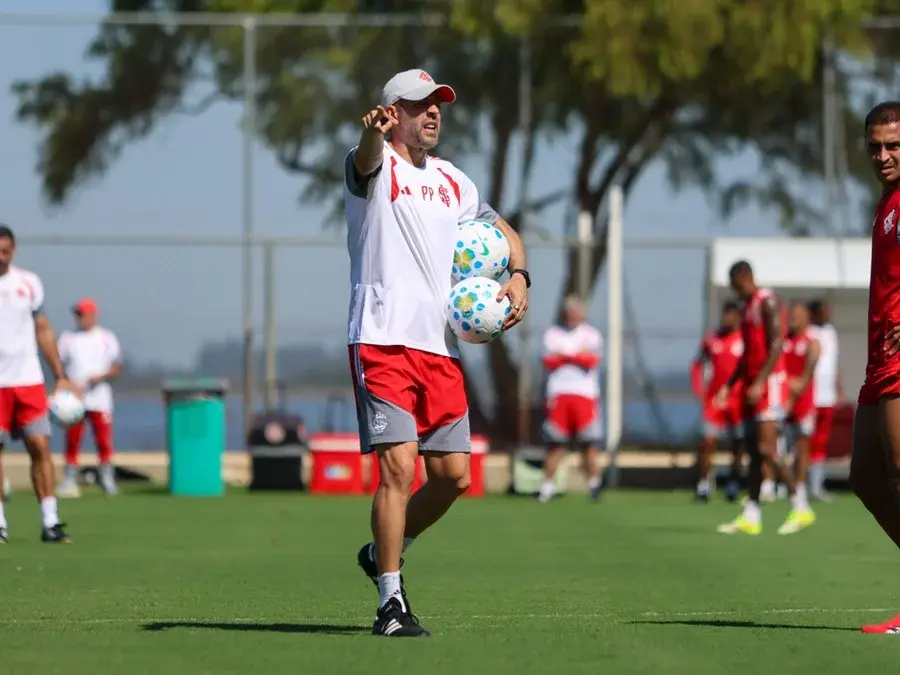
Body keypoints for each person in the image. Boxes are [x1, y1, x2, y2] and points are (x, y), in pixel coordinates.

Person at [344, 69, 529, 637]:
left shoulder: (453, 181)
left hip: (439, 348)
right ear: (391, 113)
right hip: (381, 338)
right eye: (420, 104)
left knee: (453, 478)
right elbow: (365, 159)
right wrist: (371, 133)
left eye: (438, 104)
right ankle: (390, 602)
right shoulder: (375, 163)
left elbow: (505, 232)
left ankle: (382, 550)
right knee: (399, 468)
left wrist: (519, 275)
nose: (433, 113)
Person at [715, 260, 815, 536]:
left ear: (744, 277)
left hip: (769, 385)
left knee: (766, 448)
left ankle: (800, 505)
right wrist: (729, 385)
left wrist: (760, 381)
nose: (734, 290)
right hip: (752, 385)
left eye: (735, 284)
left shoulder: (767, 301)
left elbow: (776, 344)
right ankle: (752, 514)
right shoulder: (746, 308)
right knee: (754, 451)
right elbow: (748, 354)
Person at [848, 101, 900, 634]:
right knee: (864, 475)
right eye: (875, 146)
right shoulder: (887, 203)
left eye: (893, 146)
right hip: (878, 361)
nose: (882, 155)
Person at [0, 225, 73, 544]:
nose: (1, 257)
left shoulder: (29, 283)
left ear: (13, 250)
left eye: (5, 251)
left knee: (40, 446)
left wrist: (59, 374)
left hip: (28, 380)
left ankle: (50, 521)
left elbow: (42, 328)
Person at [537, 295, 604, 503]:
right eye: (570, 312)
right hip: (559, 395)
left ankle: (594, 485)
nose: (574, 316)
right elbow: (549, 361)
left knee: (588, 445)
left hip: (585, 396)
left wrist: (565, 356)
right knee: (556, 445)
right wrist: (575, 356)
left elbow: (591, 360)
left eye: (577, 312)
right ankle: (546, 488)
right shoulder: (552, 335)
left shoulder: (592, 335)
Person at [56, 298, 124, 498]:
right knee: (73, 439)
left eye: (82, 314)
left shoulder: (106, 338)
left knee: (103, 439)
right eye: (77, 314)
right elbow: (58, 365)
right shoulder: (68, 338)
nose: (79, 318)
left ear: (93, 316)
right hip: (74, 399)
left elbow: (117, 366)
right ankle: (70, 478)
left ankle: (106, 476)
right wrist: (67, 384)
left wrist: (101, 377)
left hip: (99, 398)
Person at [690, 300, 744, 503]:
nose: (727, 318)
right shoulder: (712, 340)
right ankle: (704, 483)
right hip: (715, 400)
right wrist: (699, 388)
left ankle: (733, 481)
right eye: (725, 313)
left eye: (731, 314)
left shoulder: (743, 340)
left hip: (737, 400)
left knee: (738, 443)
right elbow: (697, 363)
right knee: (708, 441)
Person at [782, 302, 820, 506]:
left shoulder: (812, 342)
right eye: (792, 314)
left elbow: (806, 375)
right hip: (782, 402)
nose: (793, 318)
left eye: (798, 314)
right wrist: (787, 384)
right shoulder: (783, 341)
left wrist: (796, 386)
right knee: (775, 447)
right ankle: (773, 486)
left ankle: (800, 488)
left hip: (803, 404)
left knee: (802, 447)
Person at [807, 299, 841, 501]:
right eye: (823, 311)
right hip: (810, 395)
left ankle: (817, 485)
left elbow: (834, 363)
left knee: (822, 440)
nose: (827, 315)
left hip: (827, 396)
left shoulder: (831, 332)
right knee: (805, 440)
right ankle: (798, 484)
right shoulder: (808, 332)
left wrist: (838, 388)